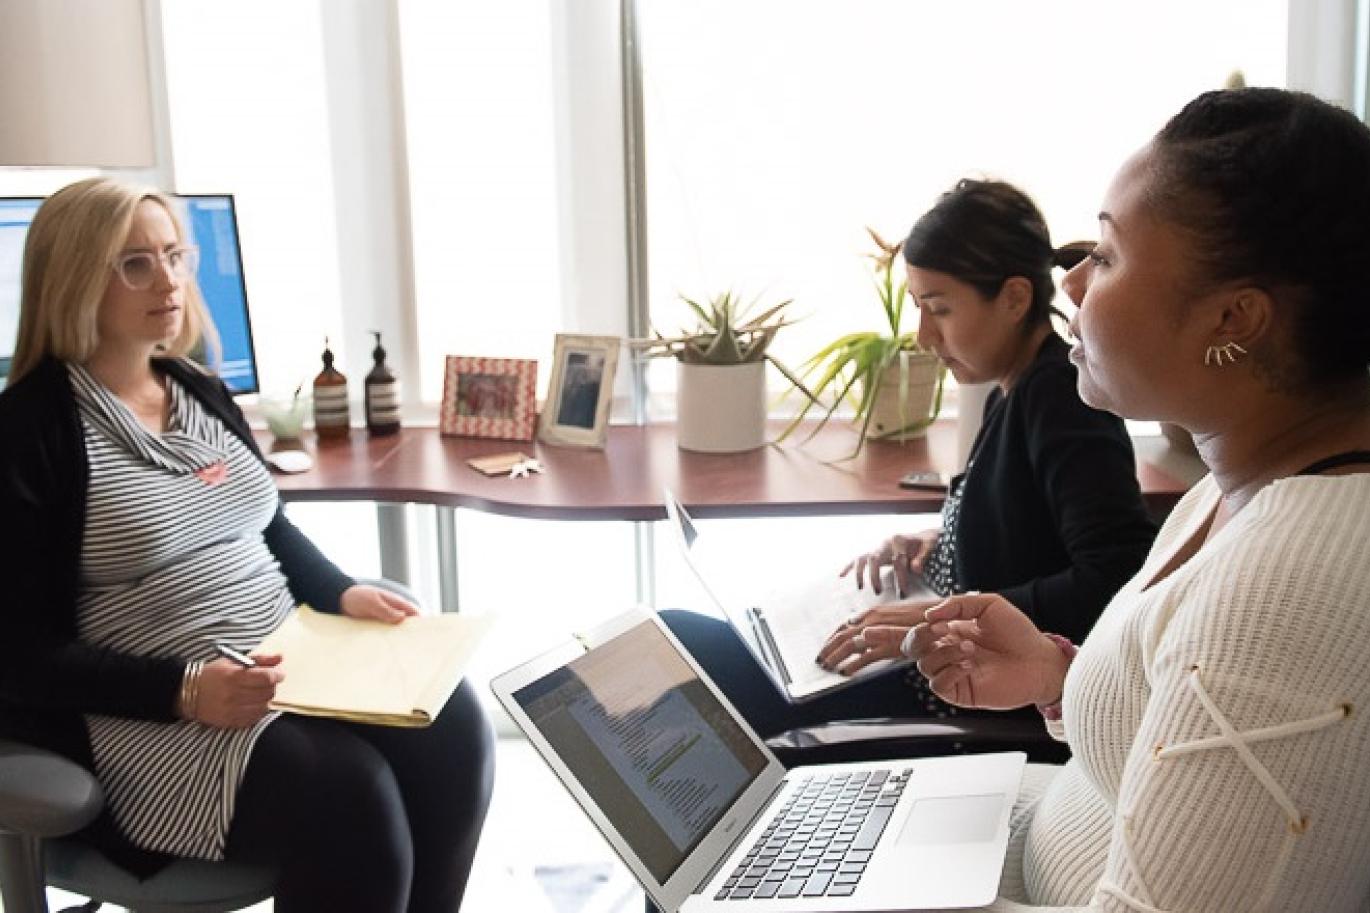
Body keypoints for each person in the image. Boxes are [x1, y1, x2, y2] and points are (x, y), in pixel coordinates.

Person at [854, 87, 1370, 910]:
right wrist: (1056, 673)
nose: (1073, 283)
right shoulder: (1234, 489)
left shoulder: (1292, 586)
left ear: (1233, 318)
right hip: (1025, 839)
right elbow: (1170, 719)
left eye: (1109, 254)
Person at [0, 178, 494, 912]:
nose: (168, 280)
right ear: (74, 277)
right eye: (135, 263)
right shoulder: (32, 430)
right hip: (155, 710)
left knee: (454, 733)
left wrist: (337, 591)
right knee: (350, 797)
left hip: (288, 657)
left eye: (174, 255)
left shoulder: (196, 388)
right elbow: (18, 652)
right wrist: (186, 688)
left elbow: (266, 525)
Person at [661, 179, 1157, 738]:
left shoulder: (1061, 397)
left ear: (1016, 298)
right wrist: (941, 541)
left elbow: (1115, 576)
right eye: (919, 308)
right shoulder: (1013, 388)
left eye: (939, 309)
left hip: (954, 693)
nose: (923, 336)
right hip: (930, 653)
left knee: (687, 661)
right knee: (687, 640)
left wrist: (939, 615)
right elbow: (1026, 527)